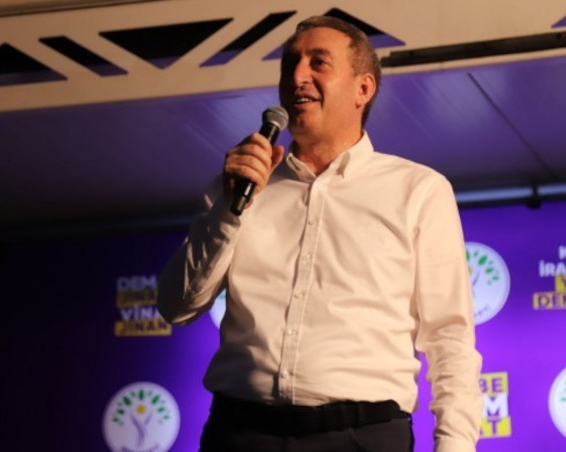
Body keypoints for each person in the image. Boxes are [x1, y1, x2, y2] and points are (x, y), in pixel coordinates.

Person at [157, 15, 482, 452]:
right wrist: (229, 213)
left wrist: (455, 445)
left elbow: (449, 338)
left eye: (318, 63)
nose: (297, 76)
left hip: (362, 437)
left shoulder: (418, 190)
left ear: (363, 89)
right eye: (290, 63)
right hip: (240, 434)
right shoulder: (238, 185)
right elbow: (176, 307)